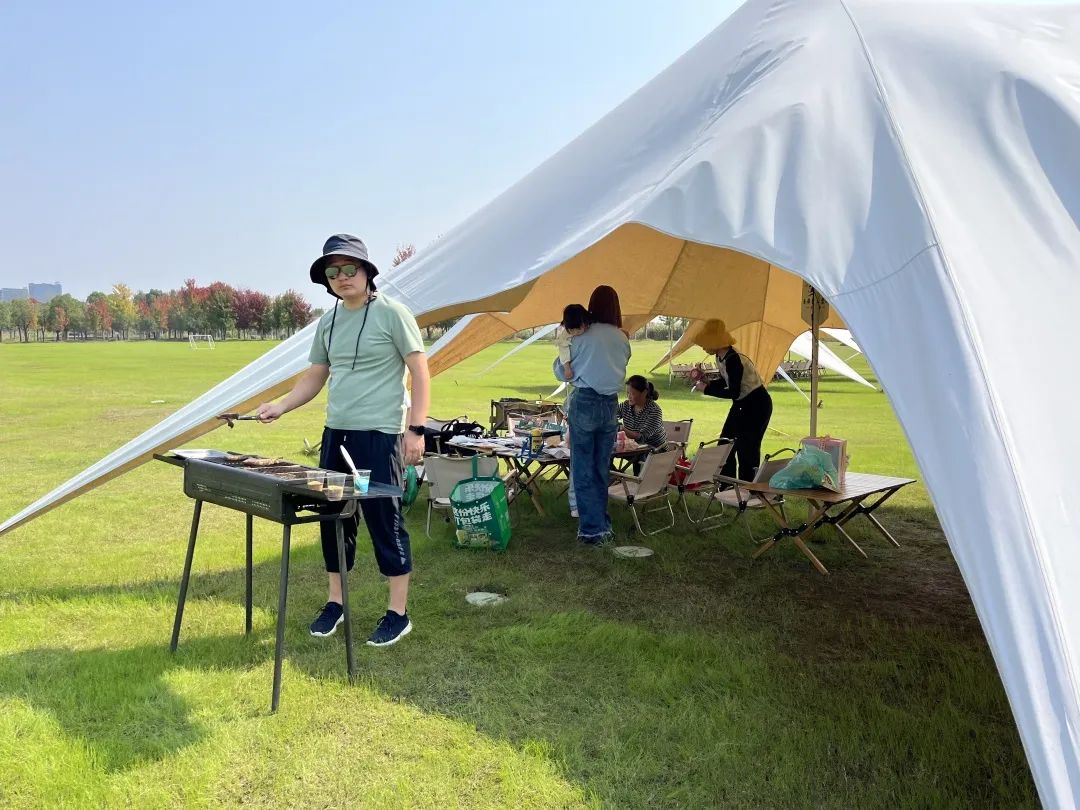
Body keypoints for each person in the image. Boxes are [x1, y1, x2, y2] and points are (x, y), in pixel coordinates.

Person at [256, 234, 430, 648]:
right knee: (334, 517)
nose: (341, 277)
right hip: (337, 436)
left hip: (378, 438)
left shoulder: (393, 314)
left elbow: (421, 373)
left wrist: (416, 429)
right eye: (332, 272)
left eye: (349, 269)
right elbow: (317, 374)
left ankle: (398, 613)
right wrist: (282, 405)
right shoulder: (328, 322)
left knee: (381, 518)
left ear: (367, 272)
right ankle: (335, 602)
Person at [554, 285, 631, 544]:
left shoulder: (579, 335)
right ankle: (601, 523)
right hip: (610, 404)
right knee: (600, 467)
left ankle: (591, 529)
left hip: (585, 401)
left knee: (583, 467)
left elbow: (560, 371)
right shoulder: (622, 337)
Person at [692, 319, 772, 481]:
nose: (703, 347)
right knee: (725, 443)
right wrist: (708, 381)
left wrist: (706, 390)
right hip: (742, 404)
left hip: (756, 404)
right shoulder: (722, 358)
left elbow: (733, 392)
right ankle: (726, 484)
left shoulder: (734, 359)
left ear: (716, 341)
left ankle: (746, 487)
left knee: (747, 448)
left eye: (705, 342)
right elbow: (726, 381)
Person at [618, 375, 666, 449]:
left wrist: (621, 429)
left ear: (644, 393)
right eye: (627, 393)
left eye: (632, 393)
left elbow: (642, 438)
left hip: (654, 452)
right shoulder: (625, 405)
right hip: (634, 448)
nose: (629, 396)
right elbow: (610, 415)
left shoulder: (654, 411)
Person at [555, 304, 591, 379]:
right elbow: (563, 351)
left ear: (585, 322)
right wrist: (567, 368)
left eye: (579, 329)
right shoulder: (565, 335)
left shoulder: (591, 326)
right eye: (572, 330)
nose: (575, 333)